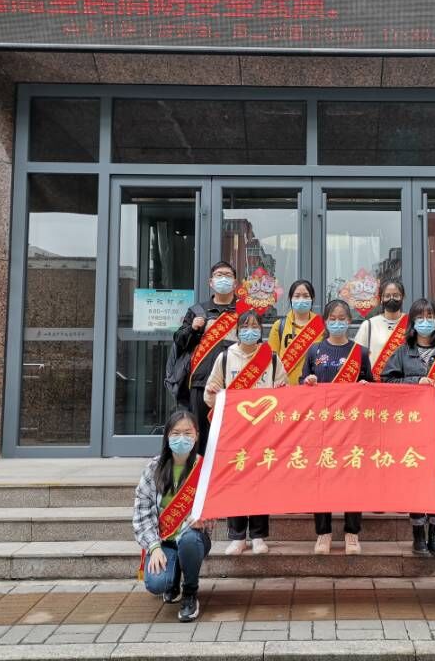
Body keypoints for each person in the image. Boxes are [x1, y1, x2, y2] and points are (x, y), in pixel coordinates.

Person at [381, 298, 435, 558]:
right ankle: (418, 533)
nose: (425, 322)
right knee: (416, 475)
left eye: (430, 317)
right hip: (413, 424)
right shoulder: (402, 352)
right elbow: (387, 381)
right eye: (420, 317)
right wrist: (415, 381)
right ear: (412, 322)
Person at [205, 310, 288, 555]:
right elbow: (210, 397)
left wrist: (282, 390)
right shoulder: (224, 358)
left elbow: (285, 394)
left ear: (261, 330)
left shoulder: (271, 359)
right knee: (236, 481)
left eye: (254, 326)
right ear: (237, 330)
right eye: (245, 326)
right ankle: (237, 536)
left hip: (264, 431)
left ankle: (259, 536)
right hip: (234, 431)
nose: (249, 331)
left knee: (261, 481)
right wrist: (211, 392)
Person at [301, 299, 373, 556]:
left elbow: (371, 385)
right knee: (322, 478)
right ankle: (323, 533)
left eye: (342, 318)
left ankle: (352, 532)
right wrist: (308, 381)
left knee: (352, 478)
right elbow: (302, 383)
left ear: (350, 321)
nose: (338, 322)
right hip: (322, 427)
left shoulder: (360, 352)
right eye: (333, 318)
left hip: (352, 427)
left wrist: (365, 386)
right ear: (325, 321)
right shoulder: (315, 350)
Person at [132, 410, 211, 623]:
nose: (181, 438)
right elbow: (142, 512)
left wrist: (205, 518)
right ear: (167, 436)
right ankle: (172, 580)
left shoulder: (203, 468)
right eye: (176, 433)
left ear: (196, 435)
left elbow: (214, 505)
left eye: (187, 433)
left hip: (193, 539)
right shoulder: (153, 468)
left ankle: (190, 593)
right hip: (164, 541)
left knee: (189, 541)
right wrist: (154, 547)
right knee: (156, 584)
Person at [173, 261, 241, 454]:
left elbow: (256, 343)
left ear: (235, 282)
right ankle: (200, 470)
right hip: (201, 382)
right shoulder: (198, 311)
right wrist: (193, 328)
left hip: (236, 382)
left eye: (227, 275)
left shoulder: (244, 311)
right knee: (201, 432)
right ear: (211, 282)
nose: (223, 279)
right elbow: (179, 341)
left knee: (233, 432)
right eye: (219, 275)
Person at [268, 279, 324, 386]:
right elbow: (271, 360)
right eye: (297, 296)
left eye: (306, 296)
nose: (301, 299)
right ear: (290, 299)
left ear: (312, 299)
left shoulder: (322, 326)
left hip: (313, 387)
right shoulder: (279, 326)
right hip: (285, 387)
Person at [354, 279, 408, 381]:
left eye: (396, 295)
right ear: (381, 298)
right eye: (387, 296)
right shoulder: (369, 325)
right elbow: (357, 357)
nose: (391, 299)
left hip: (404, 383)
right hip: (376, 383)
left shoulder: (411, 324)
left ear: (403, 297)